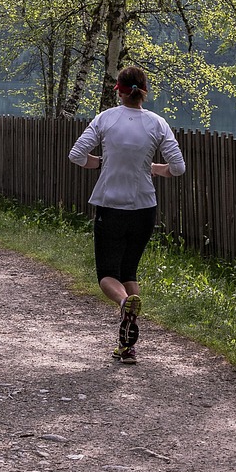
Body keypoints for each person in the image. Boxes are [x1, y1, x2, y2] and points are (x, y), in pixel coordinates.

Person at [68, 66, 186, 364]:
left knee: (108, 274)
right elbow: (178, 167)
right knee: (129, 271)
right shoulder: (158, 123)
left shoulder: (106, 119)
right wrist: (155, 169)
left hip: (110, 206)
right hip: (144, 208)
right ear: (144, 91)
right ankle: (127, 346)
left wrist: (102, 164)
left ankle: (123, 302)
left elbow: (77, 155)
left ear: (118, 90)